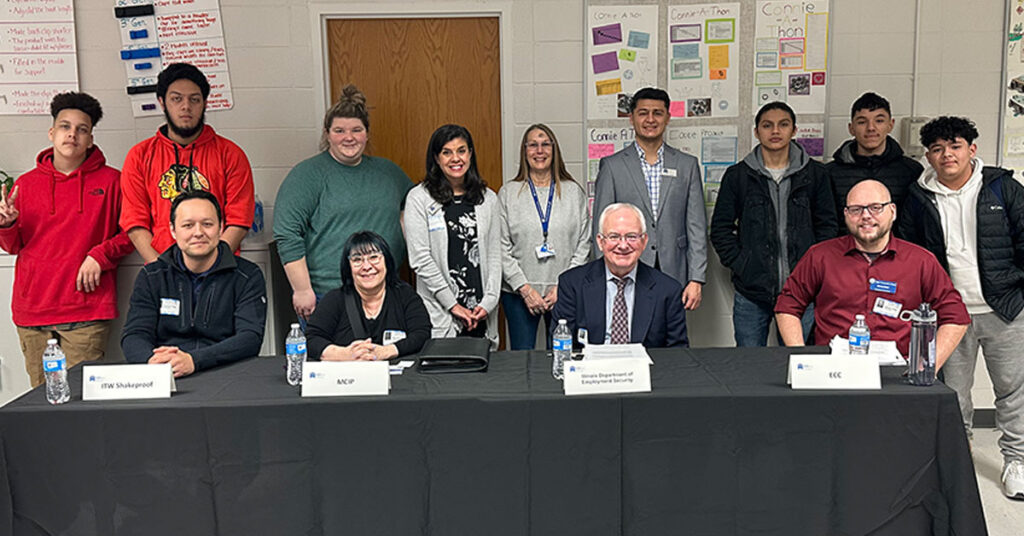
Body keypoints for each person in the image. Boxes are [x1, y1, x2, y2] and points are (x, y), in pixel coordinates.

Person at [897, 116, 1024, 499]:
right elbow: (909, 254)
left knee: (1013, 391)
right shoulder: (918, 198)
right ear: (928, 157)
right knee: (953, 393)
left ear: (972, 149)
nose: (946, 154)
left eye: (954, 146)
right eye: (937, 149)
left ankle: (1016, 461)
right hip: (947, 316)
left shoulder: (1004, 189)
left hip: (1004, 309)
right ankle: (958, 458)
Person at [0, 92, 134, 387]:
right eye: (65, 126)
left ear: (90, 139)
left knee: (79, 406)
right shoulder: (25, 184)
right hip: (33, 311)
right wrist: (6, 226)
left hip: (86, 311)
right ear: (52, 133)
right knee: (41, 401)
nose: (72, 134)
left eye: (81, 129)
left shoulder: (113, 182)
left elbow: (134, 233)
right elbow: (13, 246)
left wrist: (100, 254)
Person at [774, 180, 969, 360]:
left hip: (897, 375)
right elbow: (787, 306)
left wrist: (926, 367)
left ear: (893, 211)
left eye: (876, 207)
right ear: (845, 214)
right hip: (833, 370)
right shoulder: (820, 256)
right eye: (856, 209)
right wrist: (800, 356)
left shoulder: (921, 261)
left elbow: (956, 316)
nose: (866, 216)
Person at [274, 85, 413, 322]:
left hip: (385, 294)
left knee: (385, 358)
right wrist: (302, 289)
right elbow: (287, 233)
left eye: (356, 130)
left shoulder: (389, 173)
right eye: (339, 130)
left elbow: (419, 207)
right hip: (327, 296)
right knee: (332, 359)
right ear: (326, 133)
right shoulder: (307, 175)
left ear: (367, 134)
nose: (348, 137)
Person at [710, 101, 836, 346]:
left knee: (799, 363)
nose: (775, 131)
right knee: (749, 362)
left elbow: (828, 227)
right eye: (767, 126)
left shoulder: (816, 175)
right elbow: (721, 229)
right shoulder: (738, 176)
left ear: (794, 130)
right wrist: (742, 264)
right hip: (752, 291)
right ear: (757, 132)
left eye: (783, 125)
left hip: (804, 292)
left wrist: (815, 269)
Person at [122, 191, 266, 377]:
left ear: (221, 227)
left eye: (207, 224)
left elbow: (250, 338)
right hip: (165, 374)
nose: (198, 233)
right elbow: (134, 334)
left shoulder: (247, 275)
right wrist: (153, 363)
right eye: (188, 225)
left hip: (227, 374)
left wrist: (194, 360)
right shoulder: (152, 276)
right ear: (173, 230)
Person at [120, 62, 255, 262]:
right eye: (176, 99)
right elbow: (135, 221)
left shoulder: (231, 154)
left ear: (205, 103)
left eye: (194, 99)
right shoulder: (139, 156)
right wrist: (161, 270)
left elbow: (239, 218)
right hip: (163, 267)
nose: (186, 107)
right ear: (162, 102)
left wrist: (212, 264)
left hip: (219, 269)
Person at [591, 87, 706, 310]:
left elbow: (697, 227)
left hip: (674, 271)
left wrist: (696, 278)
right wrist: (603, 276)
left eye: (657, 113)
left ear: (667, 118)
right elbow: (602, 226)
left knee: (670, 339)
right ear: (631, 118)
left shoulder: (686, 165)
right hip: (624, 268)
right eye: (643, 113)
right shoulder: (612, 166)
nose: (650, 119)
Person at [404, 124, 501, 346]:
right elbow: (420, 259)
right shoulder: (419, 198)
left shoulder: (488, 199)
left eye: (461, 150)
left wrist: (489, 302)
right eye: (446, 152)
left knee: (485, 375)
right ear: (436, 159)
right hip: (442, 310)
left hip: (481, 313)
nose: (455, 158)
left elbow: (496, 255)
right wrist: (453, 306)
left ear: (470, 154)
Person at [499, 124, 590, 350]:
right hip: (518, 293)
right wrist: (525, 289)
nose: (539, 150)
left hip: (564, 292)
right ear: (524, 151)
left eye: (545, 144)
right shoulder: (508, 193)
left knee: (564, 357)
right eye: (533, 145)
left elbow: (584, 243)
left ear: (554, 149)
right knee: (523, 360)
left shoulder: (573, 192)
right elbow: (500, 247)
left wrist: (563, 286)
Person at [551, 203, 687, 348]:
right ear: (600, 241)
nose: (623, 245)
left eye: (632, 237)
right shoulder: (572, 284)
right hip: (591, 367)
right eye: (614, 236)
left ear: (644, 241)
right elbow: (561, 347)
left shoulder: (668, 290)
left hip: (645, 368)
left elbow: (677, 353)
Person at [306, 231, 430, 361]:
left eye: (374, 257)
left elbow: (422, 334)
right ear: (348, 267)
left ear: (386, 261)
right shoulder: (335, 299)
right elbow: (311, 339)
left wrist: (386, 351)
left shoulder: (404, 294)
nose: (366, 266)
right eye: (357, 260)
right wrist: (346, 354)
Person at [826, 92, 922, 229]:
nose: (871, 128)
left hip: (897, 249)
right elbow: (827, 223)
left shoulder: (912, 171)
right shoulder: (830, 173)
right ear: (851, 128)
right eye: (862, 122)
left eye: (879, 121)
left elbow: (915, 224)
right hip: (844, 248)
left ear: (890, 125)